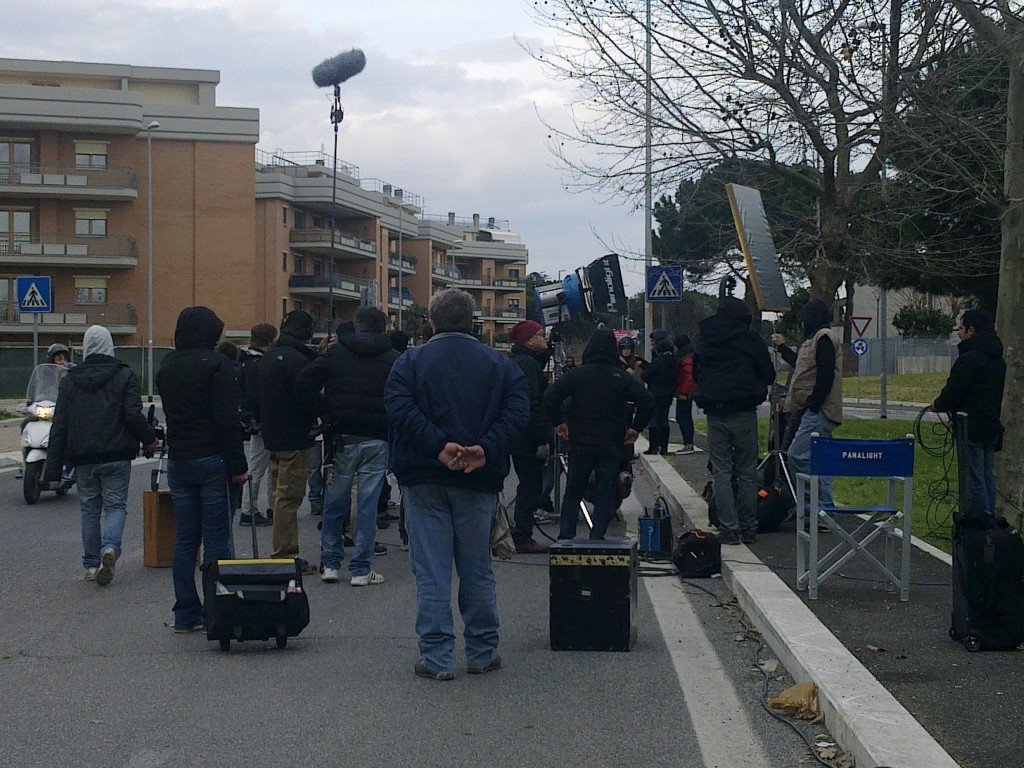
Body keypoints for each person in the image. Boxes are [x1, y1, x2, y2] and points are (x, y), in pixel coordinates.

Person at [384, 288, 528, 681]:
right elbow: (517, 415)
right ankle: (482, 651)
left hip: (424, 475)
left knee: (431, 570)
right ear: (473, 323)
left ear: (431, 321)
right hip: (478, 479)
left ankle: (438, 658)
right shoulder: (501, 366)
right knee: (477, 567)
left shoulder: (409, 362)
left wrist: (437, 446)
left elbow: (398, 408)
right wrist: (484, 449)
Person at [156, 306, 247, 632]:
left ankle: (185, 612)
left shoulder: (167, 366)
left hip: (180, 460)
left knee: (185, 540)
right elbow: (226, 421)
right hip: (213, 459)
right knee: (217, 538)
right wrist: (238, 466)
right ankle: (216, 611)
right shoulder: (218, 365)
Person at [45, 325, 159, 585]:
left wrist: (53, 469)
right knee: (116, 505)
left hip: (83, 456)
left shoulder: (70, 380)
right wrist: (150, 439)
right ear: (110, 346)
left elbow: (60, 425)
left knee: (89, 509)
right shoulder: (124, 375)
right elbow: (132, 415)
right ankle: (110, 548)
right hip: (117, 454)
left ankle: (91, 564)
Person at [296, 306, 399, 586]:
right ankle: (361, 569)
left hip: (340, 437)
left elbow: (304, 381)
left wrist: (324, 411)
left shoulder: (336, 353)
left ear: (356, 325)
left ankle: (330, 563)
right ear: (384, 328)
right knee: (367, 505)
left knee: (335, 501)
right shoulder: (393, 358)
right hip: (377, 438)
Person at [543, 328, 653, 541]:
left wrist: (559, 423)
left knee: (573, 490)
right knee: (606, 491)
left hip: (580, 442)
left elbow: (550, 397)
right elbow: (647, 401)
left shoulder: (576, 375)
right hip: (610, 443)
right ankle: (597, 535)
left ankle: (566, 536)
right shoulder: (620, 377)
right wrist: (635, 428)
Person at [694, 296, 776, 545]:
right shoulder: (749, 340)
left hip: (715, 412)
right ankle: (748, 526)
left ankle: (728, 528)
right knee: (747, 471)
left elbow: (696, 371)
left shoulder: (705, 339)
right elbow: (769, 373)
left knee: (721, 471)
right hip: (743, 411)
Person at [257, 310, 318, 572]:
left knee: (278, 492)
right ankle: (285, 553)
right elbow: (308, 398)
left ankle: (282, 548)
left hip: (271, 435)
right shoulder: (301, 361)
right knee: (289, 497)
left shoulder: (266, 359)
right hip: (295, 435)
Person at [770, 299, 842, 514]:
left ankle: (813, 507)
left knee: (797, 455)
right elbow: (801, 364)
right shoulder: (813, 340)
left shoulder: (824, 338)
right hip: (811, 409)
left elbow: (826, 374)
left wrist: (814, 405)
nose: (801, 325)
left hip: (819, 410)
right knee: (820, 461)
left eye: (803, 320)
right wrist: (782, 347)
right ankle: (824, 509)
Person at [931, 309, 1005, 515]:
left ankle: (980, 523)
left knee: (974, 478)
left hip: (969, 426)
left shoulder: (969, 359)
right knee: (986, 476)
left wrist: (938, 404)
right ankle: (989, 521)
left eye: (961, 328)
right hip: (990, 425)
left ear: (971, 330)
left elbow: (953, 392)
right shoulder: (997, 359)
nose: (958, 333)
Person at [506, 319, 553, 555]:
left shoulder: (517, 361)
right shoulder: (528, 365)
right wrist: (540, 439)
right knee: (531, 487)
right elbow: (533, 404)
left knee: (528, 485)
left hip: (516, 434)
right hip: (528, 437)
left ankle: (519, 532)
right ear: (528, 340)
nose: (545, 338)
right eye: (541, 335)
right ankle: (522, 535)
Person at [239, 322, 277, 526]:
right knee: (263, 466)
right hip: (265, 420)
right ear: (271, 340)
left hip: (255, 419)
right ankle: (252, 509)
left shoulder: (245, 361)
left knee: (260, 464)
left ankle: (253, 508)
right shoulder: (261, 363)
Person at [642, 334, 679, 455]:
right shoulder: (674, 360)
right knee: (664, 420)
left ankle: (653, 447)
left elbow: (646, 375)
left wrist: (644, 366)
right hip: (668, 393)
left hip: (655, 393)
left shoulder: (658, 361)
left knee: (654, 420)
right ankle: (664, 447)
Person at [673, 334, 697, 454]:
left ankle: (688, 443)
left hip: (685, 392)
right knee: (685, 417)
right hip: (687, 391)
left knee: (683, 417)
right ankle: (688, 443)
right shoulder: (689, 355)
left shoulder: (686, 358)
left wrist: (683, 392)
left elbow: (688, 377)